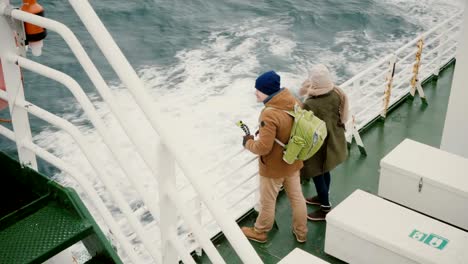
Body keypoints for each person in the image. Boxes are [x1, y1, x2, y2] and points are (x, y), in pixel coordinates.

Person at [241, 70, 308, 243]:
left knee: (268, 201)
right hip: (292, 160)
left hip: (274, 167)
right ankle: (301, 232)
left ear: (268, 91)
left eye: (258, 89)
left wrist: (247, 142)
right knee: (297, 197)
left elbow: (263, 148)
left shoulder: (269, 113)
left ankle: (260, 232)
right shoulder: (293, 101)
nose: (255, 92)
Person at [298, 64, 349, 221]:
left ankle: (325, 208)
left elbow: (303, 125)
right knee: (325, 170)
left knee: (317, 173)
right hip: (333, 139)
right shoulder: (336, 93)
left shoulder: (311, 104)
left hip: (319, 144)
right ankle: (322, 197)